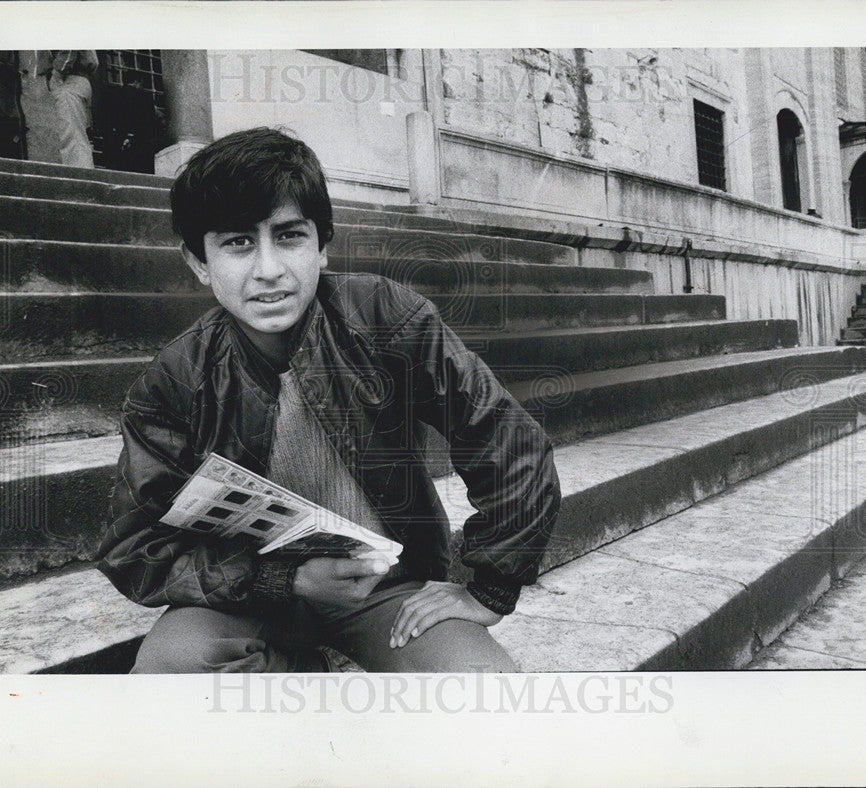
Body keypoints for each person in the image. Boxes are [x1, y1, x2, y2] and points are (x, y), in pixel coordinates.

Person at [96, 127, 561, 673]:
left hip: (382, 591)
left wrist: (491, 590)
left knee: (486, 688)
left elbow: (506, 439)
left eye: (289, 236)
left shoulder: (383, 317)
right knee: (169, 670)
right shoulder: (175, 380)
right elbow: (133, 546)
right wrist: (284, 578)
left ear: (323, 247)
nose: (268, 270)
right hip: (244, 602)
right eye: (238, 242)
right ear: (199, 261)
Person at [45, 50, 98, 168]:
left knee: (71, 136)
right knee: (77, 136)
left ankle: (78, 178)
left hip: (69, 79)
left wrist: (57, 73)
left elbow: (68, 49)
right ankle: (82, 175)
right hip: (79, 79)